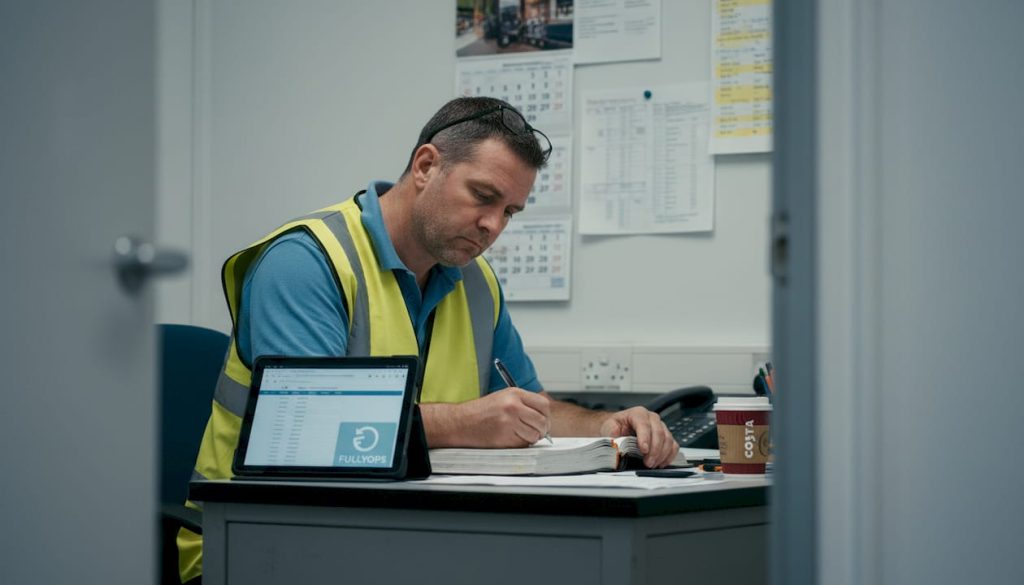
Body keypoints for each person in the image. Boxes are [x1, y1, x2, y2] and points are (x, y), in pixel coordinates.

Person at [176, 96, 677, 583]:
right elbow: (306, 426)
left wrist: (604, 424)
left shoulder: (477, 285)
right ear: (425, 166)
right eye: (483, 196)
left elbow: (532, 408)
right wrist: (466, 422)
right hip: (253, 545)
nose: (492, 226)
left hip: (398, 537)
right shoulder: (306, 263)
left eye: (510, 212)